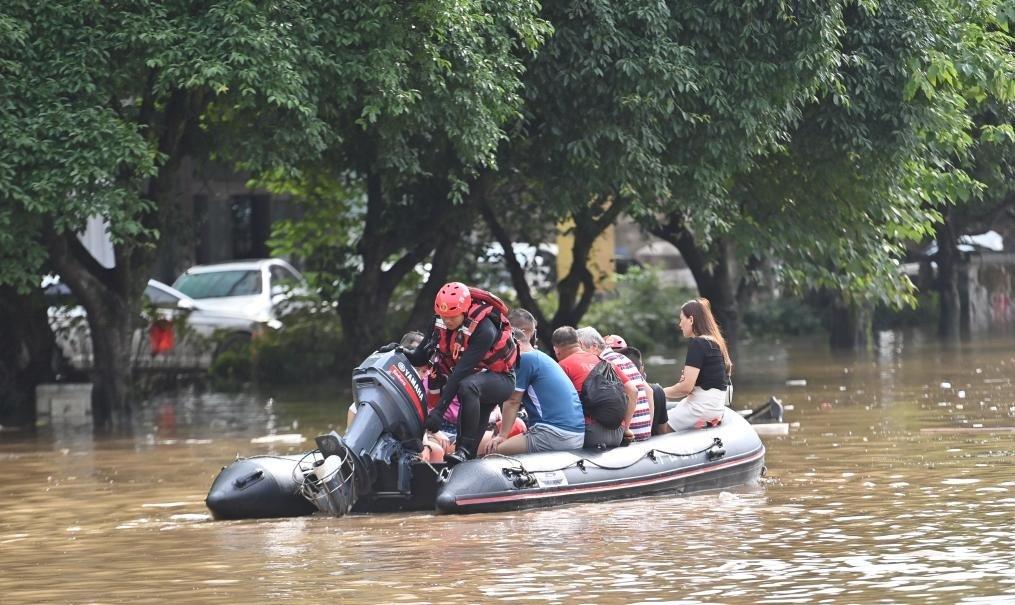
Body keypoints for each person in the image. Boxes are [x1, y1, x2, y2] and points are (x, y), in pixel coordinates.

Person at [404, 282, 518, 465]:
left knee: (468, 386)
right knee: (469, 389)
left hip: (500, 380)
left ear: (465, 310)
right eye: (444, 315)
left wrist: (439, 412)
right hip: (474, 384)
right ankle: (464, 458)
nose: (447, 321)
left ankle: (464, 450)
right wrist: (400, 353)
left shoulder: (484, 329)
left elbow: (460, 372)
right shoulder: (438, 321)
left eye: (452, 316)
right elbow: (420, 356)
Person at [483, 328, 586, 455]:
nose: (500, 355)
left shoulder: (525, 359)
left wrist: (502, 436)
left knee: (491, 451)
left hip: (553, 434)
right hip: (577, 434)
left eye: (502, 349)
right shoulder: (542, 357)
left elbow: (513, 401)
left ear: (517, 344)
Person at [662, 298, 732, 431]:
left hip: (700, 408)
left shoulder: (698, 344)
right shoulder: (716, 343)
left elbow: (685, 388)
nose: (680, 324)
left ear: (691, 320)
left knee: (656, 427)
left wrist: (658, 393)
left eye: (682, 319)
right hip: (715, 408)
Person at [552, 326, 629, 448]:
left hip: (589, 434)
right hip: (618, 433)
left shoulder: (562, 366)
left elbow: (555, 404)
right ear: (580, 343)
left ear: (556, 349)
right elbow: (632, 390)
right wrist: (626, 428)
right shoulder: (606, 362)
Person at [576, 327, 653, 442]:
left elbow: (632, 391)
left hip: (630, 434)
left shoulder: (602, 364)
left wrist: (626, 428)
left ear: (594, 347)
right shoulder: (623, 358)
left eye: (580, 349)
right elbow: (649, 391)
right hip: (643, 431)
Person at [616, 344, 671, 435]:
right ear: (641, 368)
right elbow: (663, 430)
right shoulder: (657, 390)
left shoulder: (617, 391)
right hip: (648, 439)